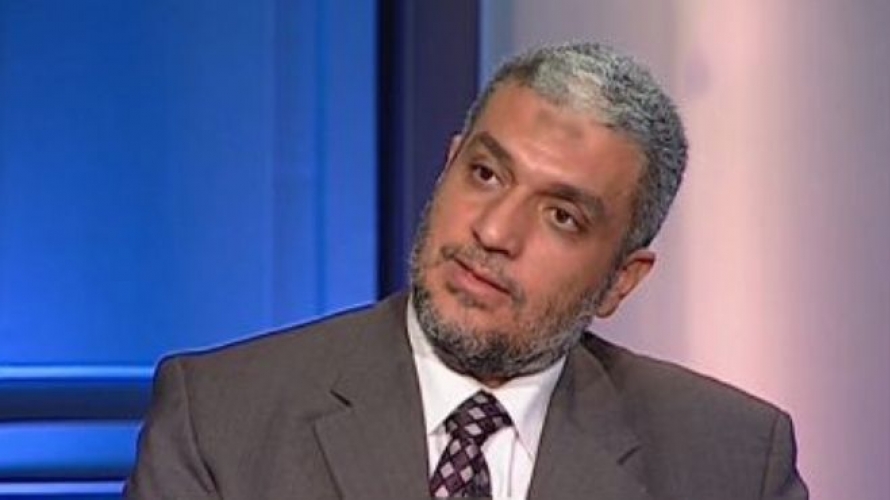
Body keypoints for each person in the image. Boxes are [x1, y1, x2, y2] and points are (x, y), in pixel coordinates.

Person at [125, 42, 808, 500]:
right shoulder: (221, 421)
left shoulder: (732, 462)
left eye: (561, 216)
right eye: (485, 174)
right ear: (448, 164)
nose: (494, 231)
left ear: (621, 280)